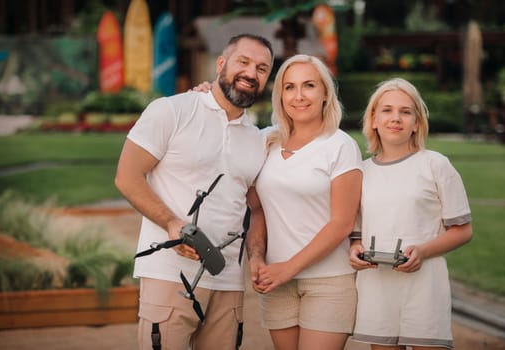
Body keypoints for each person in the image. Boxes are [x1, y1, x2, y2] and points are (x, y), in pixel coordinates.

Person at [114, 33, 274, 350]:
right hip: (168, 274)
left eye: (262, 68)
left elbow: (255, 208)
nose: (251, 73)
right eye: (243, 61)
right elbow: (127, 177)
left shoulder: (258, 139)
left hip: (228, 281)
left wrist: (256, 255)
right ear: (221, 63)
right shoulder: (171, 111)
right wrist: (173, 224)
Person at [247, 54, 363, 350]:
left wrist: (290, 267)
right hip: (276, 281)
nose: (298, 96)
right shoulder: (266, 141)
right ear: (280, 95)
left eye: (309, 85)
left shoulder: (340, 146)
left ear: (325, 93)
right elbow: (258, 210)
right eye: (289, 87)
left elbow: (342, 223)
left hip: (328, 282)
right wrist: (257, 258)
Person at [348, 77, 473, 350]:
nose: (396, 118)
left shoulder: (436, 165)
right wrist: (355, 250)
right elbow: (355, 234)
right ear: (373, 119)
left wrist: (424, 252)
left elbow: (463, 230)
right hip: (376, 286)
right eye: (387, 110)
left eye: (405, 112)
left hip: (425, 285)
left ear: (417, 123)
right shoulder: (360, 171)